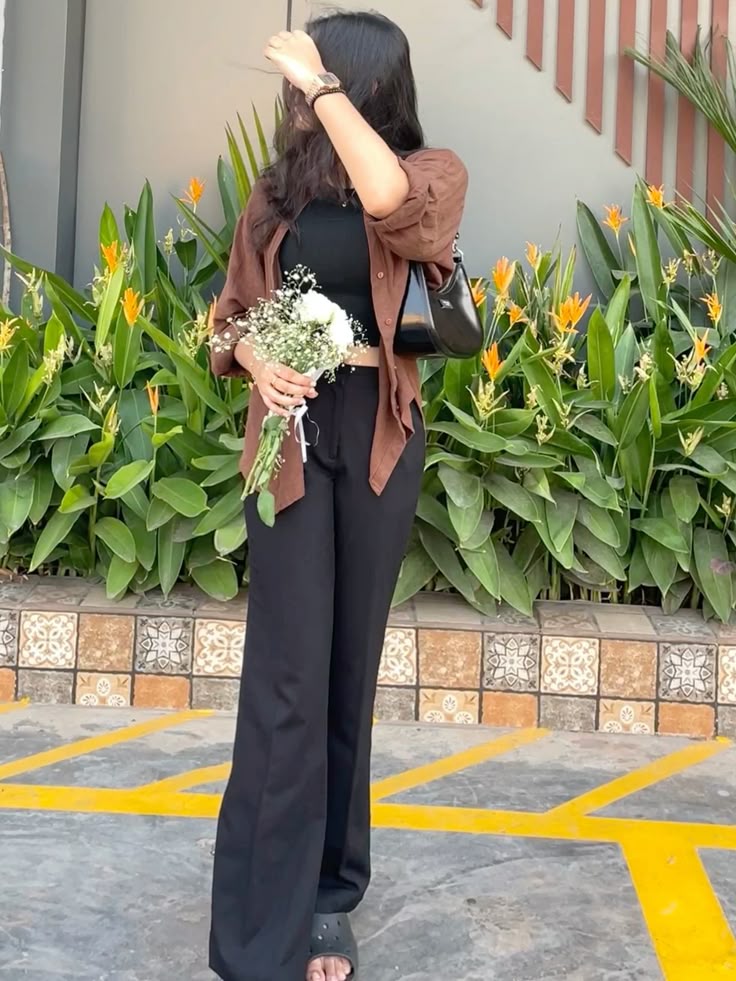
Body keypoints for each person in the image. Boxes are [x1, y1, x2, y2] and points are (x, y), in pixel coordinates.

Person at [208, 11, 468, 981]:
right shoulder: (277, 193)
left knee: (347, 672)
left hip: (375, 436)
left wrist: (319, 90)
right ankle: (257, 932)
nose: (294, 97)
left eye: (315, 78)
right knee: (285, 677)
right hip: (290, 434)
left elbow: (395, 206)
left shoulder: (431, 173)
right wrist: (254, 359)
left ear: (360, 84)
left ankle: (327, 897)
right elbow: (229, 320)